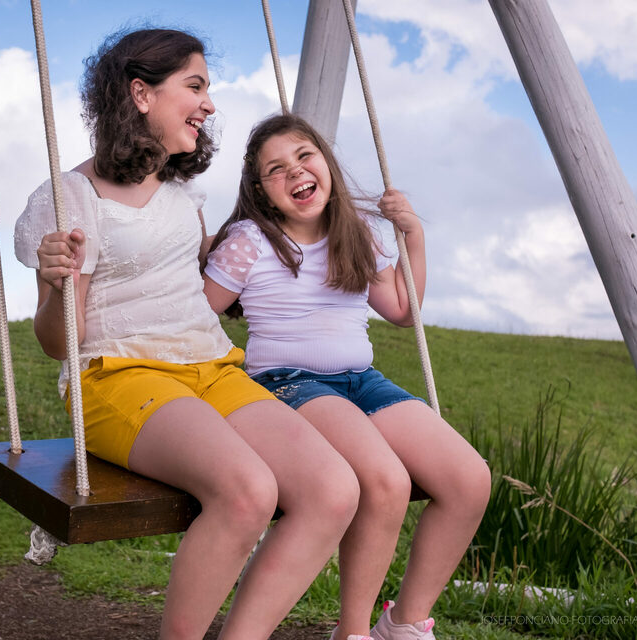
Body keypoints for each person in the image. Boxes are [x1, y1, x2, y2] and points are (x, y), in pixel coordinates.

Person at [14, 30, 360, 640]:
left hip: (212, 368)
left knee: (332, 490)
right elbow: (57, 342)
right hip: (118, 374)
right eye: (195, 87)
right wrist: (54, 282)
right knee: (248, 490)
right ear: (141, 94)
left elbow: (203, 276)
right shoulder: (71, 198)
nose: (209, 104)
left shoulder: (182, 192)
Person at [203, 114, 491, 640]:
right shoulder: (250, 240)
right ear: (261, 192)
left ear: (326, 162)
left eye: (304, 156)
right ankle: (352, 631)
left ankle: (404, 623)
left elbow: (402, 310)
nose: (295, 172)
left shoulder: (356, 232)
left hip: (361, 379)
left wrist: (414, 236)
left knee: (469, 480)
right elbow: (198, 314)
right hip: (287, 382)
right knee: (385, 481)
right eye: (276, 169)